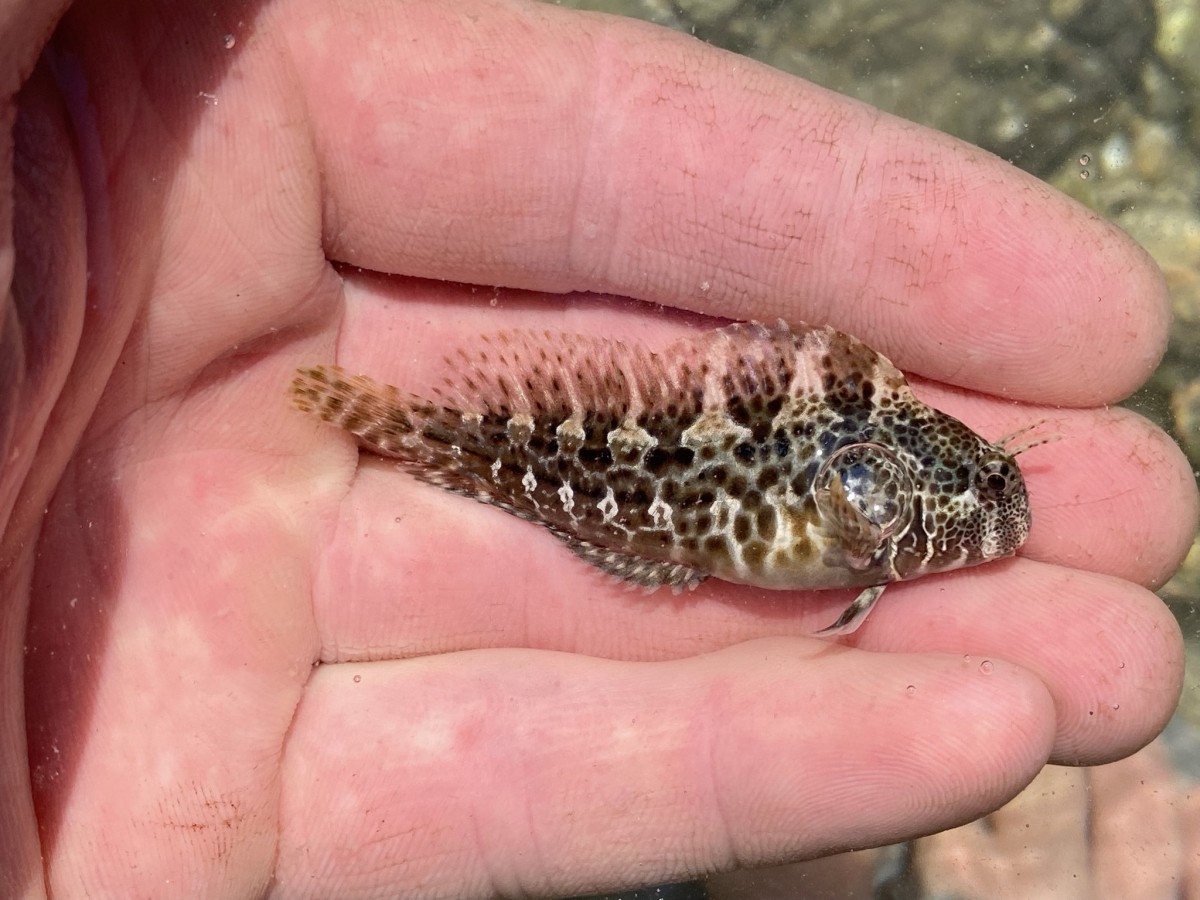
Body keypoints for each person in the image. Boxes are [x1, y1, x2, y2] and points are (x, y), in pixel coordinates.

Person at [1, 0, 1194, 896]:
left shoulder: (870, 492)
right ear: (881, 498)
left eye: (991, 484)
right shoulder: (859, 501)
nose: (1000, 504)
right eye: (984, 487)